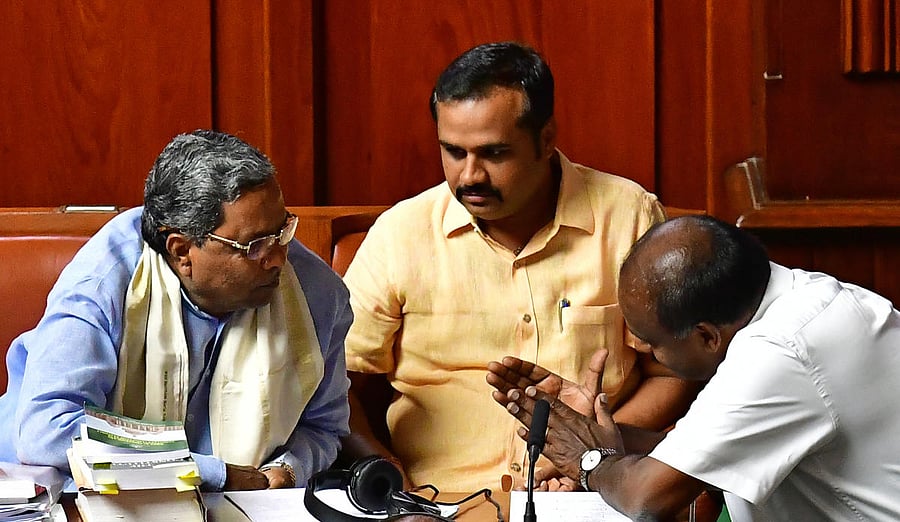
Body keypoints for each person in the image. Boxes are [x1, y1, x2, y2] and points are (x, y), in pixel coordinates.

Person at [342, 41, 700, 492]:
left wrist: (595, 455)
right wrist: (384, 469)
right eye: (453, 151)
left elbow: (672, 373)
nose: (469, 175)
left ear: (546, 139)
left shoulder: (628, 215)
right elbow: (334, 381)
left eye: (494, 154)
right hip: (436, 500)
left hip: (589, 496)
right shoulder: (402, 232)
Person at [0, 130, 352, 491]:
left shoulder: (317, 295)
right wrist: (210, 474)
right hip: (65, 492)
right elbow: (48, 431)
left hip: (249, 500)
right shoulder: (105, 280)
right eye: (254, 245)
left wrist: (288, 469)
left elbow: (324, 426)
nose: (278, 257)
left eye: (282, 232)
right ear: (182, 251)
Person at [489, 214, 900, 520]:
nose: (642, 351)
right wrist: (603, 437)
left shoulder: (778, 353)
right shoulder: (796, 297)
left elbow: (647, 499)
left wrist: (588, 460)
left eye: (651, 342)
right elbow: (703, 458)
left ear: (706, 336)